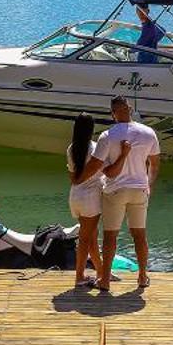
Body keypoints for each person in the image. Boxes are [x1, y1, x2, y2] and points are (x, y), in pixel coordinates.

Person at [93, 96, 159, 292]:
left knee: (110, 236)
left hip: (115, 191)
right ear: (130, 109)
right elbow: (154, 164)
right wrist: (149, 184)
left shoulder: (107, 136)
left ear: (113, 114)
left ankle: (104, 280)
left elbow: (104, 169)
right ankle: (142, 276)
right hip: (139, 190)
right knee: (140, 235)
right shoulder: (149, 133)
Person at [66, 111, 103, 289]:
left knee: (91, 238)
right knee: (85, 239)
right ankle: (80, 276)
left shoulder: (71, 148)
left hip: (75, 196)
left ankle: (102, 273)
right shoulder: (95, 148)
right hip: (90, 198)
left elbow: (73, 177)